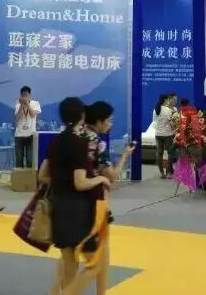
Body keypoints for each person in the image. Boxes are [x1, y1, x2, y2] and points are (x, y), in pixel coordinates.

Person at [38, 97, 111, 295]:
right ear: (82, 116)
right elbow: (80, 183)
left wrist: (61, 181)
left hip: (58, 207)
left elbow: (42, 176)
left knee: (69, 263)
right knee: (96, 263)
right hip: (78, 210)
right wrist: (100, 179)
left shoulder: (54, 142)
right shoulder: (79, 143)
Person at [74, 101, 134, 295]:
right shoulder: (97, 143)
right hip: (94, 201)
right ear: (99, 121)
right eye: (109, 120)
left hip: (71, 200)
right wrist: (125, 155)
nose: (111, 124)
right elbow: (112, 175)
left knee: (88, 253)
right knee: (97, 258)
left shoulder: (76, 135)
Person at [14, 86, 41, 169]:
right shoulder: (18, 105)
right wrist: (22, 105)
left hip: (30, 134)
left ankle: (29, 176)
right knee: (19, 159)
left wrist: (27, 104)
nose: (24, 97)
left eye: (26, 95)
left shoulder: (35, 103)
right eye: (22, 95)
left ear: (29, 95)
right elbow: (17, 118)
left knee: (30, 159)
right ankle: (19, 176)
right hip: (19, 135)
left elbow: (32, 114)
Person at [153, 94, 175, 179]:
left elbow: (154, 122)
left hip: (158, 134)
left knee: (159, 153)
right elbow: (171, 122)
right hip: (167, 134)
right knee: (170, 153)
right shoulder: (168, 110)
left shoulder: (155, 110)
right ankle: (169, 173)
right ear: (165, 100)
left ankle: (162, 173)